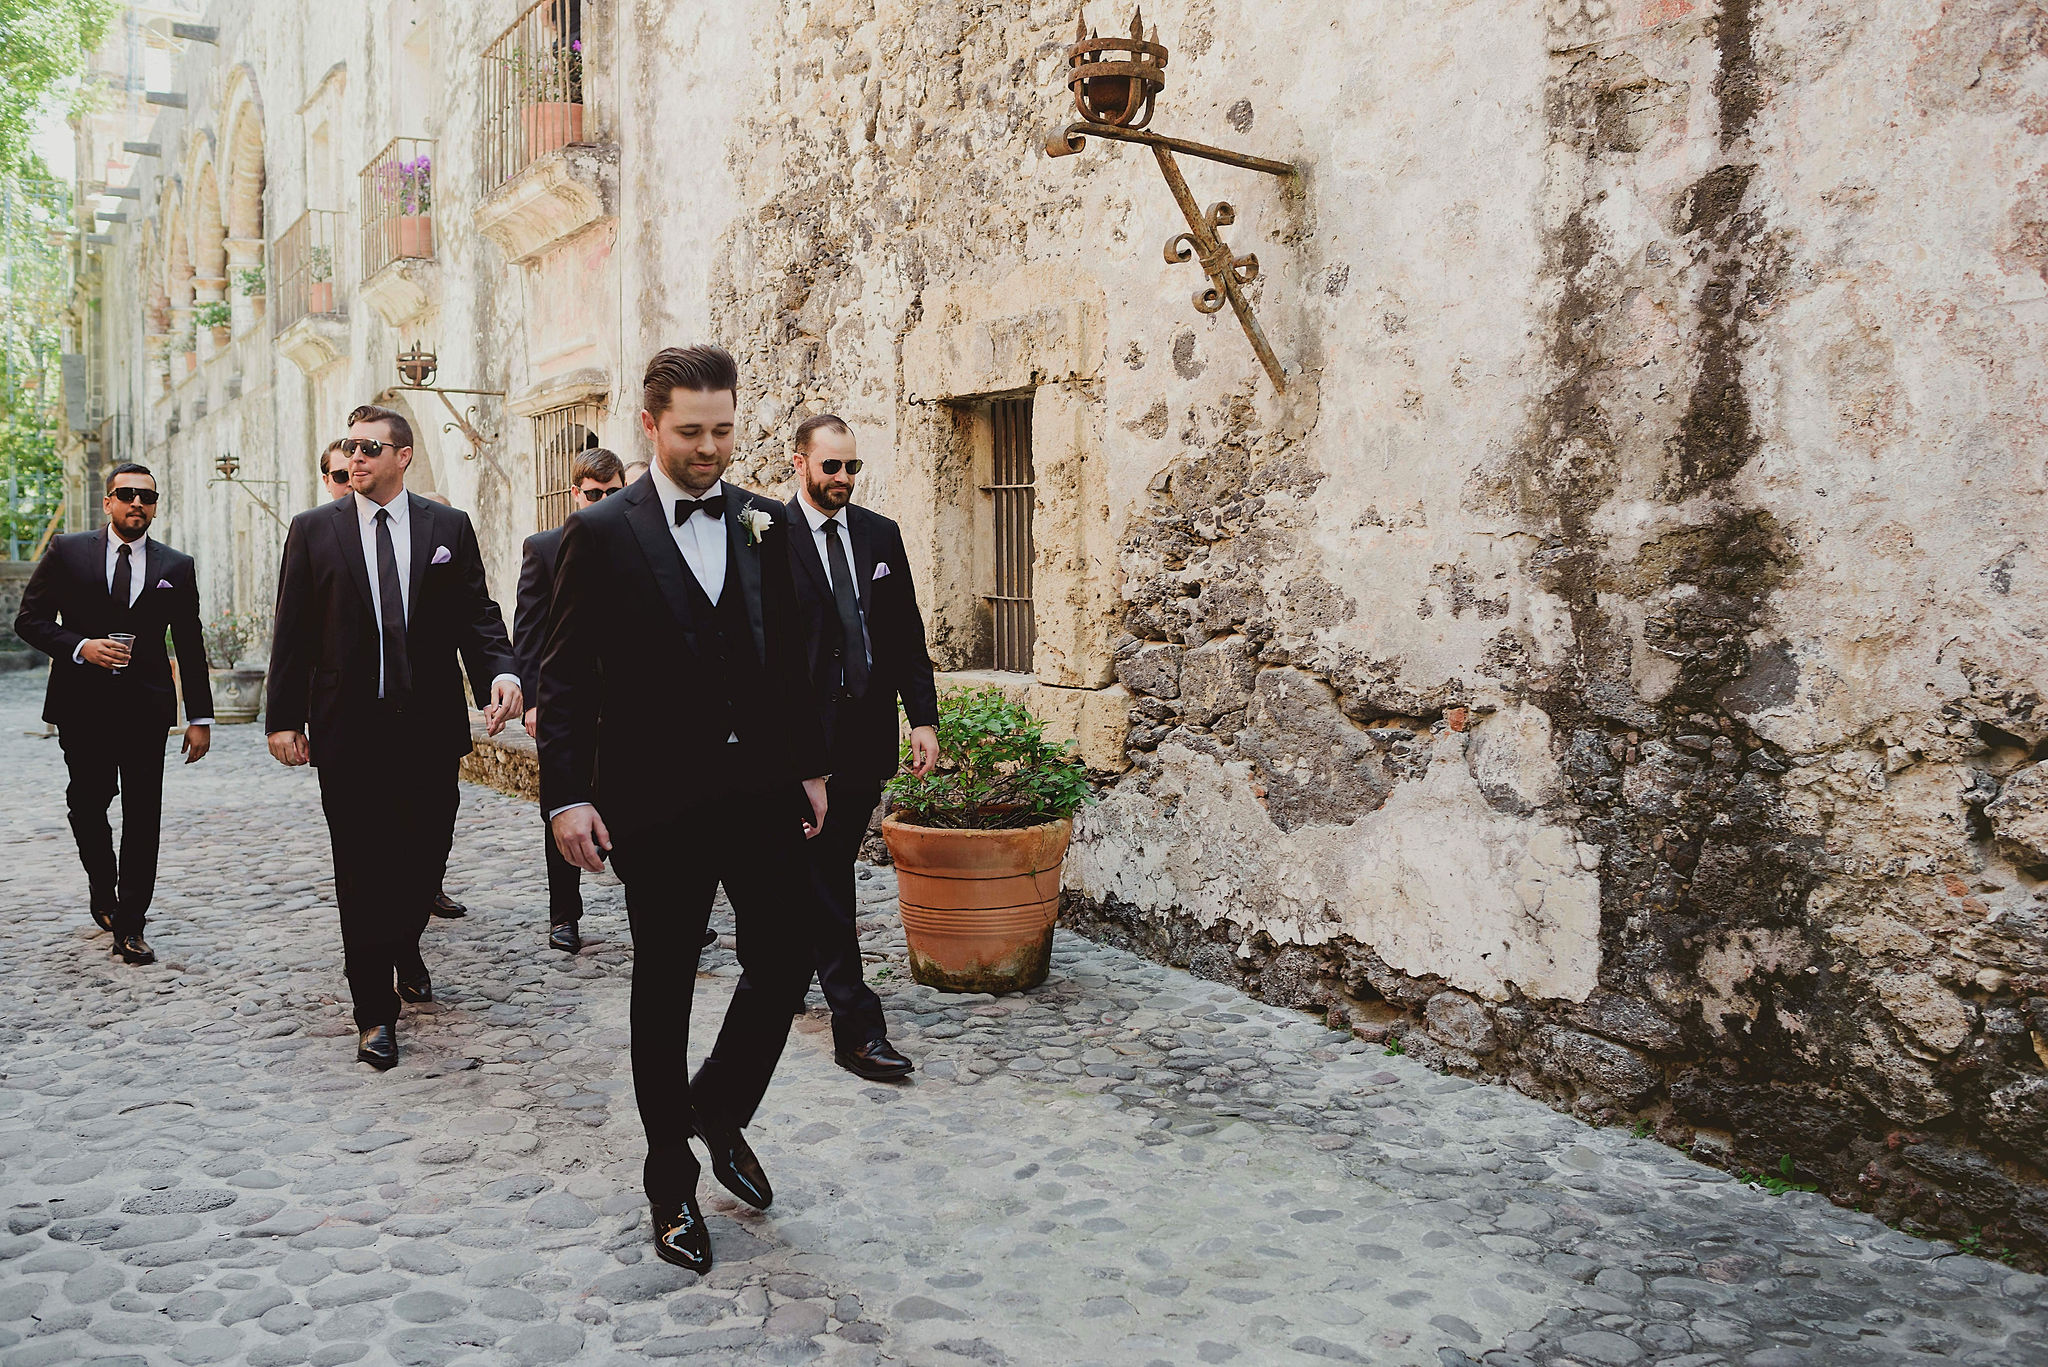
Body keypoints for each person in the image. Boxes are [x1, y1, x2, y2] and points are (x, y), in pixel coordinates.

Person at [538, 344, 828, 1274]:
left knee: (787, 953)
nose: (711, 449)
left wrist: (811, 765)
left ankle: (718, 1104)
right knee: (662, 984)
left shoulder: (764, 523)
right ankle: (669, 1178)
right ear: (652, 426)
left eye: (725, 430)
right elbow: (568, 673)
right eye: (692, 432)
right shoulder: (603, 532)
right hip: (653, 801)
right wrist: (569, 792)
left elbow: (792, 656)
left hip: (757, 790)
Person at [263, 404, 522, 1071]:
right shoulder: (314, 531)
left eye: (369, 448)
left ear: (402, 456)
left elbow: (478, 616)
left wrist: (501, 672)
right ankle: (373, 1009)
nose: (355, 458)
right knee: (361, 868)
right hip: (349, 728)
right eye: (349, 446)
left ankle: (403, 940)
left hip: (429, 727)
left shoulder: (447, 528)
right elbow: (292, 630)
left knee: (425, 856)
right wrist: (283, 718)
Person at [783, 415, 938, 1080]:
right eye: (831, 467)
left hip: (865, 735)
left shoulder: (880, 535)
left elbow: (905, 632)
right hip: (797, 743)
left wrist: (922, 718)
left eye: (852, 468)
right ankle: (856, 1023)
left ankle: (786, 970)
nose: (843, 479)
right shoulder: (765, 537)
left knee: (825, 863)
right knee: (823, 873)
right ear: (800, 464)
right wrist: (796, 760)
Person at [13, 462, 214, 965]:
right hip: (81, 706)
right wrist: (81, 645)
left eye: (147, 497)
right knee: (87, 804)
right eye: (126, 495)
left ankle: (131, 922)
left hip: (147, 709)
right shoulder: (67, 551)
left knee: (144, 815)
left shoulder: (176, 566)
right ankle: (103, 889)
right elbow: (29, 620)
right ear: (108, 502)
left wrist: (201, 718)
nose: (137, 504)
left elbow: (190, 643)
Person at [514, 446, 626, 954]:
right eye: (594, 493)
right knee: (562, 803)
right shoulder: (544, 547)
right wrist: (536, 701)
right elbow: (531, 633)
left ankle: (657, 901)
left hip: (627, 701)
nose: (603, 500)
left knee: (634, 802)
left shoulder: (640, 541)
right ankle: (565, 914)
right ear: (574, 494)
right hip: (568, 703)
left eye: (613, 492)